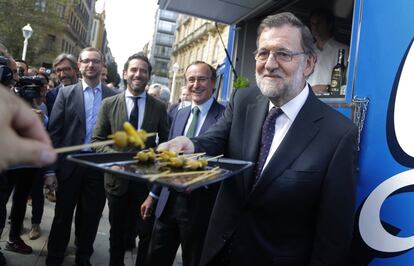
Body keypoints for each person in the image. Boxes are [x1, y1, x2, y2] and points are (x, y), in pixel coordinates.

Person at [158, 12, 358, 265]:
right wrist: (190, 145)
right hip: (218, 253)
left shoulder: (338, 134)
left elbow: (333, 235)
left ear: (308, 64)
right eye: (263, 53)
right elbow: (214, 140)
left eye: (283, 54)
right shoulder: (243, 100)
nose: (270, 63)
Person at [92, 52, 169, 266]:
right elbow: (97, 141)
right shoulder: (109, 104)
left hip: (145, 184)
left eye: (143, 71)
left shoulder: (159, 107)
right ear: (125, 74)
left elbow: (166, 141)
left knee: (145, 235)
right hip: (116, 182)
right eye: (134, 70)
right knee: (116, 234)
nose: (138, 74)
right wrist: (115, 161)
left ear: (148, 76)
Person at [147, 61, 225, 266]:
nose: (196, 85)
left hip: (201, 205)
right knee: (156, 257)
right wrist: (153, 194)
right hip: (168, 201)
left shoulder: (225, 117)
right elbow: (166, 158)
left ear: (213, 83)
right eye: (191, 79)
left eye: (202, 79)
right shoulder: (178, 113)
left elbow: (225, 161)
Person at [45, 47, 116, 266]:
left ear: (102, 65)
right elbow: (54, 133)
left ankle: (83, 257)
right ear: (79, 65)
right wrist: (49, 170)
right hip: (69, 166)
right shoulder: (65, 94)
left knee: (91, 218)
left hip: (97, 167)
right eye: (86, 61)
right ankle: (54, 257)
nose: (91, 65)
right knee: (62, 217)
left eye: (95, 61)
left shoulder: (113, 97)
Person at [307, 8, 349, 94]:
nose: (315, 27)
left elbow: (348, 83)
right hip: (307, 101)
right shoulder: (307, 52)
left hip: (330, 102)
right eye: (312, 23)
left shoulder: (343, 50)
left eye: (319, 23)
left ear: (329, 25)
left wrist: (327, 88)